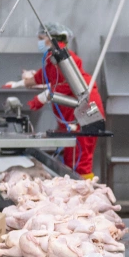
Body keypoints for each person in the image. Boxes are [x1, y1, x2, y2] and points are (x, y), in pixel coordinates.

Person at [20, 22, 104, 178]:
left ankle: (84, 189)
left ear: (51, 38)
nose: (39, 42)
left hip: (87, 107)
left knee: (80, 158)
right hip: (76, 110)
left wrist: (42, 98)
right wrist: (19, 84)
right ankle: (78, 186)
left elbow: (67, 84)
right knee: (72, 156)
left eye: (41, 39)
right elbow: (42, 76)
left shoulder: (65, 58)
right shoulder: (53, 58)